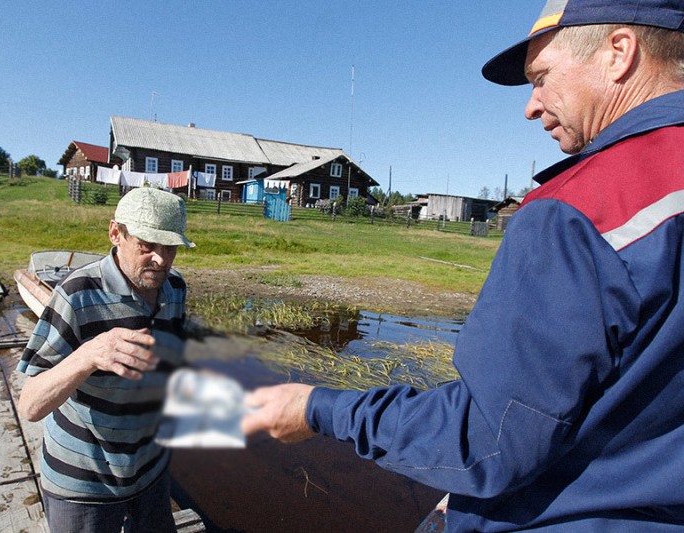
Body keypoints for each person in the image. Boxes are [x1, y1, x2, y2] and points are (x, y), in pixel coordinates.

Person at [242, 1, 684, 530]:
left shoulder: (580, 208)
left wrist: (319, 409)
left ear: (619, 53)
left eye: (541, 78)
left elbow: (488, 441)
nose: (531, 106)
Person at [17, 187, 195, 533]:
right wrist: (88, 355)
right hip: (83, 482)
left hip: (151, 470)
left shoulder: (175, 288)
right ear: (116, 233)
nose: (161, 259)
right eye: (147, 245)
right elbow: (29, 405)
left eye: (170, 247)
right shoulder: (75, 294)